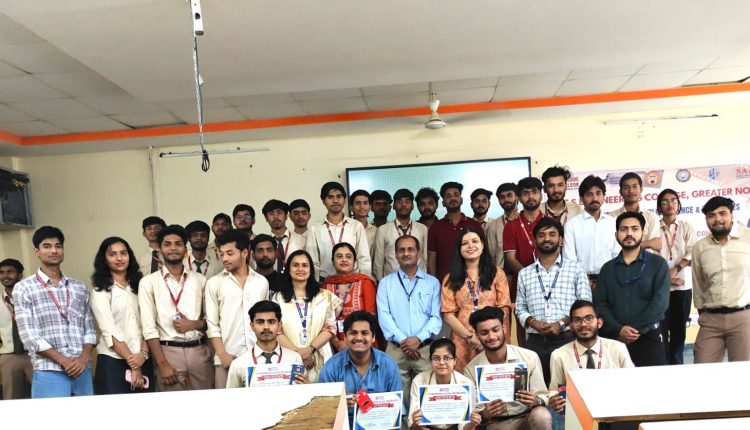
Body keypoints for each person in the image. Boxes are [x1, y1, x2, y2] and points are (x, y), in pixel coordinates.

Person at [13, 226, 96, 398]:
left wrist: (82, 359)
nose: (54, 250)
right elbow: (29, 335)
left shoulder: (79, 287)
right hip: (49, 370)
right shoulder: (24, 288)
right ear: (36, 251)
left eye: (58, 246)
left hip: (82, 370)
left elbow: (90, 329)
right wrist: (63, 361)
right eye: (47, 246)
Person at [515, 217, 591, 384]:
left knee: (569, 388)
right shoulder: (525, 273)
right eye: (541, 235)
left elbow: (585, 304)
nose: (547, 239)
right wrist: (533, 323)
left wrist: (561, 323)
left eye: (552, 234)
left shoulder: (576, 268)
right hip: (535, 342)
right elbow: (519, 308)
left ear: (561, 240)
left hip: (568, 339)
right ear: (535, 240)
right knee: (537, 389)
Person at [138, 224, 214, 391]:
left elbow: (212, 321)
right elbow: (149, 328)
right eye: (167, 244)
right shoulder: (148, 282)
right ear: (159, 249)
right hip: (168, 352)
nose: (173, 248)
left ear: (185, 248)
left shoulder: (200, 280)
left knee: (206, 402)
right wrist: (162, 363)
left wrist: (193, 324)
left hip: (199, 351)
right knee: (171, 405)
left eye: (178, 244)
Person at [594, 212, 669, 367]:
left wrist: (635, 330)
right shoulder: (607, 269)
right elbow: (600, 305)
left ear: (643, 233)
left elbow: (660, 303)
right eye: (624, 229)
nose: (629, 233)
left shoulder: (658, 264)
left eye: (635, 229)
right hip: (614, 340)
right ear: (616, 235)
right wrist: (619, 329)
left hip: (649, 339)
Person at [377, 235, 442, 408]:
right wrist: (404, 342)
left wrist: (418, 339)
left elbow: (436, 317)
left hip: (425, 349)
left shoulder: (433, 283)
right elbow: (384, 316)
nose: (406, 253)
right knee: (397, 400)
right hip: (396, 349)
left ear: (419, 253)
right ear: (396, 255)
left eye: (411, 249)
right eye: (402, 250)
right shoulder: (385, 283)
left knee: (428, 397)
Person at [464, 307, 551, 430]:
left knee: (541, 415)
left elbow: (544, 397)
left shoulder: (529, 357)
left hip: (527, 417)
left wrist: (536, 400)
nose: (491, 337)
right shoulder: (471, 369)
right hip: (496, 423)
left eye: (495, 330)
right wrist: (485, 413)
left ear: (504, 329)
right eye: (484, 333)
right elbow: (473, 415)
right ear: (477, 336)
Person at [205, 229, 269, 389]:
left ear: (244, 253)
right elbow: (212, 324)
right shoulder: (214, 283)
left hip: (258, 357)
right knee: (226, 404)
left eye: (230, 253)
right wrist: (222, 354)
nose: (224, 258)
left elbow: (266, 320)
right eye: (221, 254)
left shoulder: (261, 282)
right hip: (227, 358)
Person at [442, 225, 511, 371]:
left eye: (475, 241)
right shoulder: (451, 277)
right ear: (459, 249)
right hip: (463, 339)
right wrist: (470, 338)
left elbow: (504, 308)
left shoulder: (497, 273)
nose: (470, 246)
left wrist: (488, 333)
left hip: (493, 337)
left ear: (483, 245)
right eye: (464, 243)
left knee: (495, 377)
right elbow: (448, 314)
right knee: (464, 378)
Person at [547, 300, 634, 416]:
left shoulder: (617, 348)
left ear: (599, 323)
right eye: (577, 320)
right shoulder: (559, 355)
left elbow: (632, 383)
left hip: (614, 412)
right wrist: (553, 398)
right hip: (576, 414)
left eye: (589, 318)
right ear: (571, 326)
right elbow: (554, 389)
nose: (583, 324)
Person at [90, 237, 154, 394]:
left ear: (129, 256)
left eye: (123, 253)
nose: (119, 258)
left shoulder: (141, 286)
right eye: (112, 254)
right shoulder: (100, 291)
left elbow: (150, 323)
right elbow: (109, 331)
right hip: (113, 361)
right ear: (104, 259)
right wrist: (134, 364)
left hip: (144, 358)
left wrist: (143, 354)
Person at [318, 311, 402, 426]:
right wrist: (340, 405)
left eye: (364, 333)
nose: (358, 338)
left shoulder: (388, 365)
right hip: (343, 425)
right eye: (353, 333)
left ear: (373, 337)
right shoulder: (331, 367)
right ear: (345, 337)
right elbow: (322, 409)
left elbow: (397, 409)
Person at [692, 196, 750, 363]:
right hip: (711, 319)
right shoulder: (700, 247)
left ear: (732, 215)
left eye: (722, 213)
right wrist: (704, 314)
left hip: (744, 317)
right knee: (702, 367)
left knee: (743, 371)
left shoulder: (748, 238)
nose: (717, 219)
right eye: (711, 215)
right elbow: (699, 284)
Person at [272, 250, 342, 382]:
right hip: (289, 356)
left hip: (320, 354)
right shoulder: (278, 297)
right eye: (295, 265)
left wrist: (310, 350)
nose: (300, 269)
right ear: (288, 269)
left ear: (311, 269)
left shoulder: (324, 296)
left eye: (304, 265)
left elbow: (330, 328)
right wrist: (298, 354)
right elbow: (276, 330)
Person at [503, 177, 546, 346]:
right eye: (526, 193)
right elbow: (510, 258)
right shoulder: (511, 225)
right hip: (521, 285)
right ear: (519, 197)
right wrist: (531, 278)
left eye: (535, 192)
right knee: (523, 332)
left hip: (549, 283)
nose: (531, 197)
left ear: (541, 195)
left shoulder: (549, 222)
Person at [656, 188, 697, 364]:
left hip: (682, 288)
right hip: (660, 288)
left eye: (673, 200)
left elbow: (692, 251)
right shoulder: (654, 228)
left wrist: (677, 267)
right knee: (661, 332)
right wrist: (668, 279)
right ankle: (663, 366)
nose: (670, 204)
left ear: (679, 205)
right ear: (659, 207)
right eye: (664, 201)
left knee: (679, 332)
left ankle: (678, 367)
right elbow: (651, 256)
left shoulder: (686, 227)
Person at [226, 300, 306, 388]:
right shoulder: (238, 364)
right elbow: (231, 396)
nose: (266, 327)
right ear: (252, 326)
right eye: (260, 322)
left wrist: (306, 387)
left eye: (271, 322)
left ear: (279, 325)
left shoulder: (295, 359)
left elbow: (302, 393)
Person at [408, 338, 482, 430]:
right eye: (436, 358)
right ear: (430, 360)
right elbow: (411, 422)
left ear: (454, 361)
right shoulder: (419, 381)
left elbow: (464, 426)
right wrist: (416, 424)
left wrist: (471, 423)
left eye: (447, 358)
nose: (441, 363)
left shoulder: (466, 384)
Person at [563, 175, 621, 289]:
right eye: (589, 194)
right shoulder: (571, 225)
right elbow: (569, 259)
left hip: (610, 281)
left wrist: (610, 279)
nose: (594, 198)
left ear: (604, 196)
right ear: (581, 198)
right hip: (581, 283)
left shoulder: (613, 223)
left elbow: (617, 255)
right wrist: (583, 281)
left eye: (598, 193)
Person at [306, 182, 372, 279]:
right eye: (330, 197)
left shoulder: (356, 226)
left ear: (344, 200)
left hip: (352, 280)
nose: (335, 200)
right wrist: (315, 284)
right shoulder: (315, 228)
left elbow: (363, 258)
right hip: (325, 281)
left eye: (339, 196)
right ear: (323, 201)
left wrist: (364, 281)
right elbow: (313, 262)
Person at [322, 242, 378, 352]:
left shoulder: (365, 282)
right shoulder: (325, 286)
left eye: (348, 257)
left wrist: (352, 341)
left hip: (362, 342)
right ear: (333, 261)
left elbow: (371, 317)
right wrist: (337, 343)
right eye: (339, 257)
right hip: (332, 344)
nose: (344, 260)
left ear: (354, 261)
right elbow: (322, 320)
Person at [428, 182, 483, 282]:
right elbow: (431, 261)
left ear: (461, 200)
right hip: (444, 284)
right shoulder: (435, 228)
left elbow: (483, 255)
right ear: (443, 202)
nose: (453, 198)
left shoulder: (475, 225)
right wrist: (434, 285)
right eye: (448, 196)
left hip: (473, 284)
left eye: (456, 195)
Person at [373, 188, 429, 281]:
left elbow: (425, 259)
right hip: (392, 283)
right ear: (393, 206)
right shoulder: (383, 230)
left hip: (418, 282)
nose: (403, 205)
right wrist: (382, 284)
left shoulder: (422, 229)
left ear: (412, 206)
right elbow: (378, 263)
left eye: (407, 202)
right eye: (399, 202)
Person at [0, 258, 32, 399]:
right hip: (9, 356)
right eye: (1, 272)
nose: (5, 276)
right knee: (12, 398)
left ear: (20, 274)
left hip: (35, 354)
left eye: (10, 272)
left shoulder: (31, 298)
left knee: (45, 395)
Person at [609, 172, 661, 252]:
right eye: (626, 187)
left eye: (635, 186)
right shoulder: (611, 217)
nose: (631, 191)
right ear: (620, 192)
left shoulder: (651, 218)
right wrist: (647, 243)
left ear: (641, 189)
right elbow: (613, 248)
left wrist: (626, 245)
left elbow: (654, 247)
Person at [263, 199, 305, 273]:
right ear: (266, 218)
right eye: (271, 214)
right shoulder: (264, 243)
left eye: (279, 213)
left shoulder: (302, 240)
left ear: (286, 216)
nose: (276, 217)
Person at [486, 182, 519, 268]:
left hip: (526, 271)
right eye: (502, 197)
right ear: (499, 201)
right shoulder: (494, 225)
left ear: (517, 197)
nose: (506, 199)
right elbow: (490, 256)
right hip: (501, 272)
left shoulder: (525, 220)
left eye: (509, 195)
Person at [350, 189, 378, 258]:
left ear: (370, 207)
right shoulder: (346, 229)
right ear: (351, 207)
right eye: (358, 203)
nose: (362, 206)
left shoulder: (375, 231)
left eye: (365, 203)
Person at [205, 213, 232, 279]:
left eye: (224, 224)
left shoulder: (237, 249)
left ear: (231, 227)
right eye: (217, 224)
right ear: (212, 228)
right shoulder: (206, 250)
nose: (220, 227)